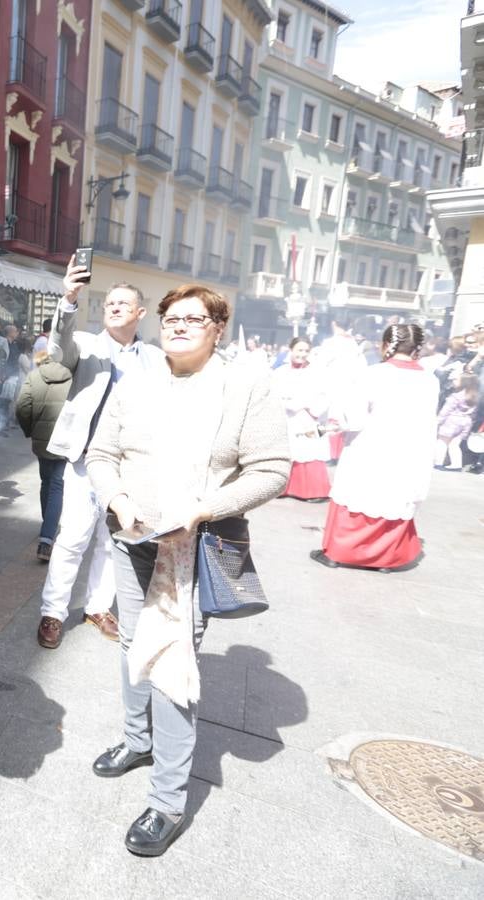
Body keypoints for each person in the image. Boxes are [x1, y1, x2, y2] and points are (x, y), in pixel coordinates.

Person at [86, 284, 288, 857]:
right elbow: (101, 456)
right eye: (171, 317)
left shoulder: (245, 384)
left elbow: (272, 469)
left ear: (217, 327)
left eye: (193, 318)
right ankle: (136, 740)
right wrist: (117, 498)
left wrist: (203, 510)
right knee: (132, 643)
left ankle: (167, 801)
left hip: (193, 552)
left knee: (172, 666)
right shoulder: (138, 381)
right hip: (133, 538)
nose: (177, 326)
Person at [37, 261, 166, 649]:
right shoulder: (89, 346)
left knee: (112, 543)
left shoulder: (156, 360)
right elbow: (59, 349)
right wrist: (69, 299)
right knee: (72, 538)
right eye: (109, 302)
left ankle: (97, 607)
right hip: (84, 461)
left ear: (140, 313)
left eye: (123, 303)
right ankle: (52, 613)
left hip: (128, 470)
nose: (113, 308)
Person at [312, 324, 437, 572]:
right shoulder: (430, 380)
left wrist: (335, 423)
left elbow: (355, 419)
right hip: (408, 454)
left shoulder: (375, 374)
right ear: (418, 348)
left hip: (371, 450)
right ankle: (384, 560)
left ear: (385, 344)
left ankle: (338, 553)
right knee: (393, 500)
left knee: (361, 496)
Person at [14, 351, 73, 563]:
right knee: (57, 483)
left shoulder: (34, 375)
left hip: (42, 439)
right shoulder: (74, 375)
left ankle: (46, 524)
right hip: (66, 440)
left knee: (46, 481)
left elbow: (22, 406)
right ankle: (47, 539)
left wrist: (31, 429)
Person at [274, 337, 331, 501]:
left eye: (306, 351)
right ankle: (280, 488)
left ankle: (313, 491)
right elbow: (273, 393)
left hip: (306, 417)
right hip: (285, 416)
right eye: (299, 350)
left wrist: (311, 409)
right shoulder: (280, 372)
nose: (303, 354)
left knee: (308, 451)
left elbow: (324, 395)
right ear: (291, 350)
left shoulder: (317, 372)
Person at [436, 375, 478, 471]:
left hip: (451, 422)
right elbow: (474, 414)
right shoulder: (473, 397)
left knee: (442, 442)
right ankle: (456, 464)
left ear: (464, 383)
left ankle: (438, 463)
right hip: (466, 423)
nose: (454, 381)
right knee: (454, 444)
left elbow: (446, 410)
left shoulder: (456, 396)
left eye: (456, 379)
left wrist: (438, 421)